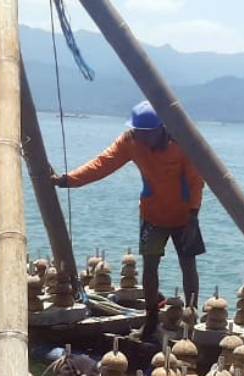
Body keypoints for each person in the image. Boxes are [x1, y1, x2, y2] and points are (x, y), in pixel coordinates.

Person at [51, 101, 204, 341]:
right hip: (152, 215)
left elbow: (196, 179)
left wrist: (194, 214)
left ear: (160, 129)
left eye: (146, 133)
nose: (141, 137)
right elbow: (103, 163)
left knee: (188, 265)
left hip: (185, 216)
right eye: (138, 132)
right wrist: (68, 180)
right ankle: (151, 319)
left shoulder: (181, 143)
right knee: (150, 267)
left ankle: (191, 321)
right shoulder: (131, 141)